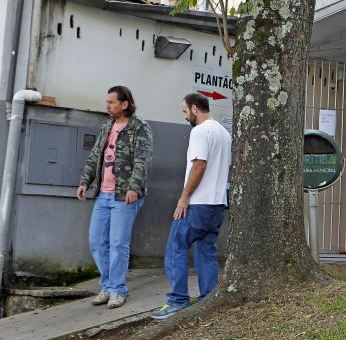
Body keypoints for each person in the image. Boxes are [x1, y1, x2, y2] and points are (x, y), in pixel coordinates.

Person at [152, 93, 231, 319]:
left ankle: (178, 301)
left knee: (176, 249)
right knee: (206, 251)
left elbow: (199, 165)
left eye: (185, 112)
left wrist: (184, 197)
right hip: (217, 204)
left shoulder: (199, 131)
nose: (185, 117)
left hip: (197, 204)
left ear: (195, 109)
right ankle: (208, 300)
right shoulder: (224, 134)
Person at [77, 86, 153, 309]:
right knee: (97, 242)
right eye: (107, 102)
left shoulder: (140, 128)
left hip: (125, 195)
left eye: (111, 102)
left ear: (124, 104)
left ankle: (118, 290)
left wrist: (134, 187)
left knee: (118, 244)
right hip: (103, 194)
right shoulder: (107, 126)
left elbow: (143, 160)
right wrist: (85, 182)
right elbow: (94, 157)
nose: (107, 106)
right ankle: (108, 286)